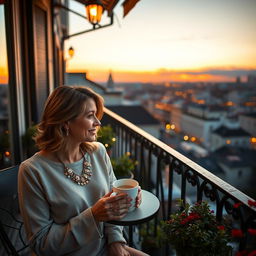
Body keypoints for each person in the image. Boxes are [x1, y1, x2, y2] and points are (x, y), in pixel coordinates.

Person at [18, 86, 147, 256]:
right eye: (89, 116)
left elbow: (112, 202)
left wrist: (116, 241)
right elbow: (42, 244)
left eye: (96, 114)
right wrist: (93, 216)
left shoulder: (98, 152)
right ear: (66, 122)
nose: (98, 122)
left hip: (105, 249)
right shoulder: (32, 171)